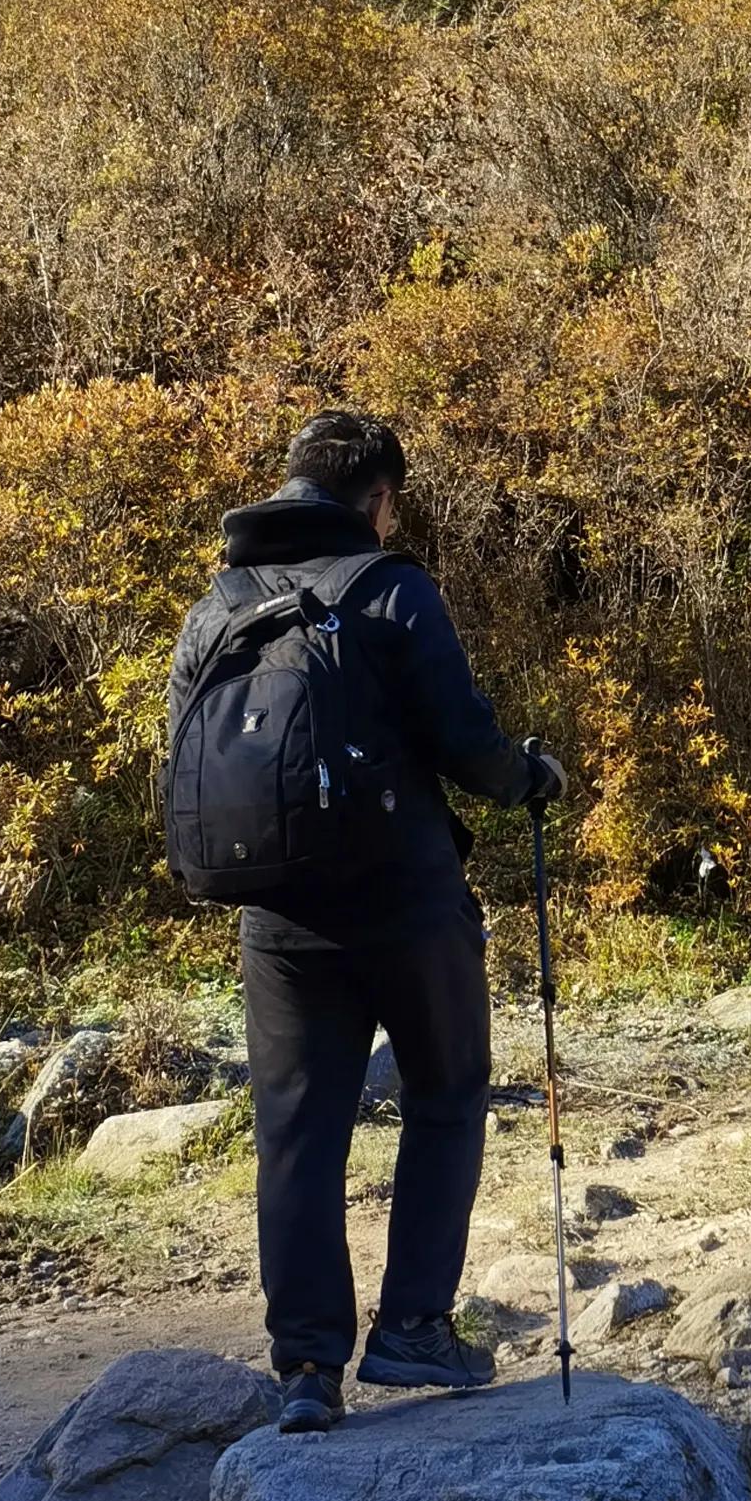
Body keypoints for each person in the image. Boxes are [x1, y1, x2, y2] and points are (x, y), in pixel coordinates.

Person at [174, 408, 562, 1434]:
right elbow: (466, 739)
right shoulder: (392, 591)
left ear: (291, 482)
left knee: (297, 1132)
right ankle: (413, 1327)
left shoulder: (219, 603)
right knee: (446, 1092)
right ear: (380, 498)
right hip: (407, 903)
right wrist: (528, 779)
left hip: (281, 915)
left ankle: (307, 1369)